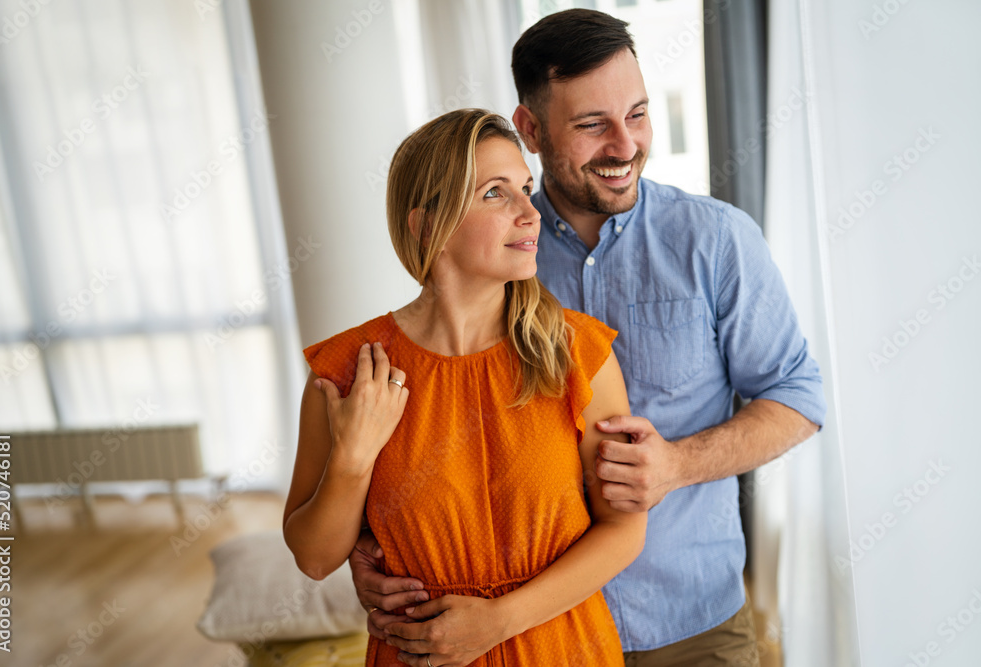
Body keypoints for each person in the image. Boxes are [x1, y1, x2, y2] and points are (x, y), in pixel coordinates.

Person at [350, 9, 827, 666]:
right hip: (537, 639)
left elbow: (798, 398)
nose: (625, 145)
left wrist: (677, 465)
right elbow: (440, 417)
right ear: (531, 130)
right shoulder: (495, 249)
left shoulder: (717, 241)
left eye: (637, 114)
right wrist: (372, 544)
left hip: (690, 626)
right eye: (591, 125)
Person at [284, 109, 647, 666]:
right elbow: (313, 557)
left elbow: (624, 531)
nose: (530, 213)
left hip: (564, 648)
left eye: (526, 189)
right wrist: (354, 457)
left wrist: (498, 623)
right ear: (428, 226)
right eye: (496, 194)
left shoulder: (576, 354)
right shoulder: (348, 372)